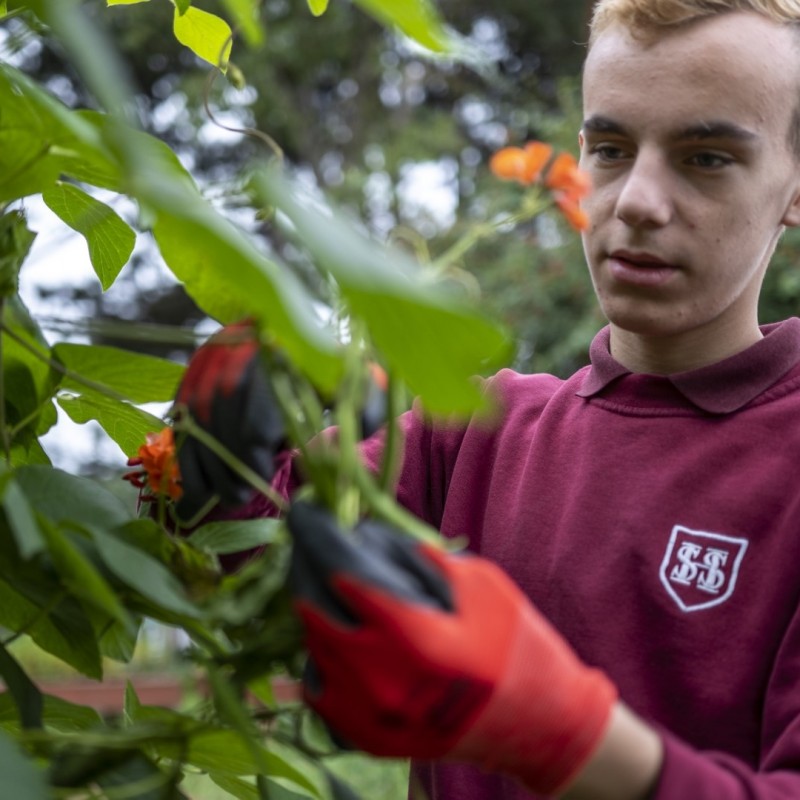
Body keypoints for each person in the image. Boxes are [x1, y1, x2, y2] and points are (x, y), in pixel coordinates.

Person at [172, 0, 800, 797]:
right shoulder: (470, 431)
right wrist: (209, 457)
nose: (637, 201)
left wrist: (561, 732)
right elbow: (245, 556)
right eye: (610, 148)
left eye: (706, 157)